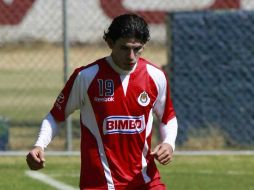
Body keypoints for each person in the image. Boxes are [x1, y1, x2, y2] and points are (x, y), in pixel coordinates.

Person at [26, 13, 178, 190]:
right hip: (99, 184)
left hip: (145, 180)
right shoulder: (86, 77)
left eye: (137, 49)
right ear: (110, 43)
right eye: (124, 48)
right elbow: (55, 116)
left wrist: (169, 143)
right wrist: (39, 145)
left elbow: (168, 117)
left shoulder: (156, 76)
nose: (131, 56)